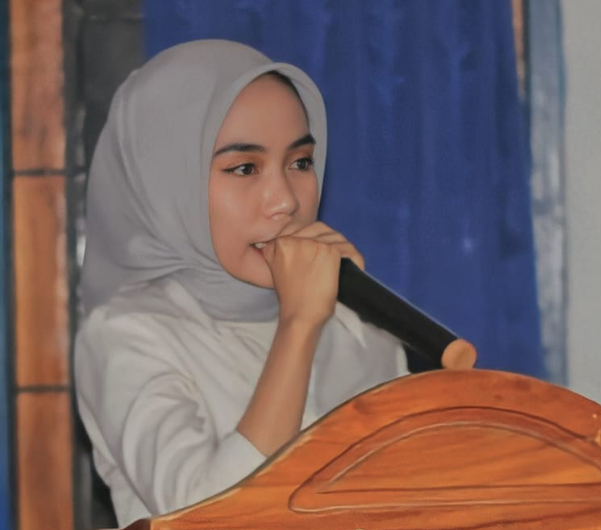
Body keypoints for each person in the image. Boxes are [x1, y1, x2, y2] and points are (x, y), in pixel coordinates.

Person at [74, 40, 408, 526]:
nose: (285, 201)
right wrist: (298, 327)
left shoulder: (358, 331)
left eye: (300, 162)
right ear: (169, 182)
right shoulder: (127, 335)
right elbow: (214, 514)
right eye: (245, 168)